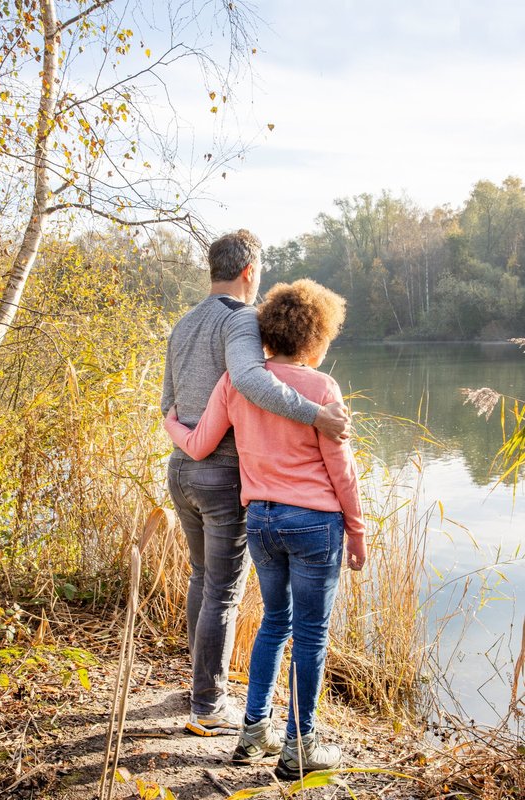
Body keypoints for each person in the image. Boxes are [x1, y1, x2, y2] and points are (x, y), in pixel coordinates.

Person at [164, 278, 366, 778]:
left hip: (261, 522)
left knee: (275, 623)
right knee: (312, 634)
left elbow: (200, 442)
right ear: (318, 335)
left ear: (268, 333)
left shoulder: (233, 383)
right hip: (314, 523)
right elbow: (342, 472)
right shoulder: (321, 389)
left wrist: (170, 422)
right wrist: (357, 533)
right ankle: (300, 745)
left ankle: (254, 733)